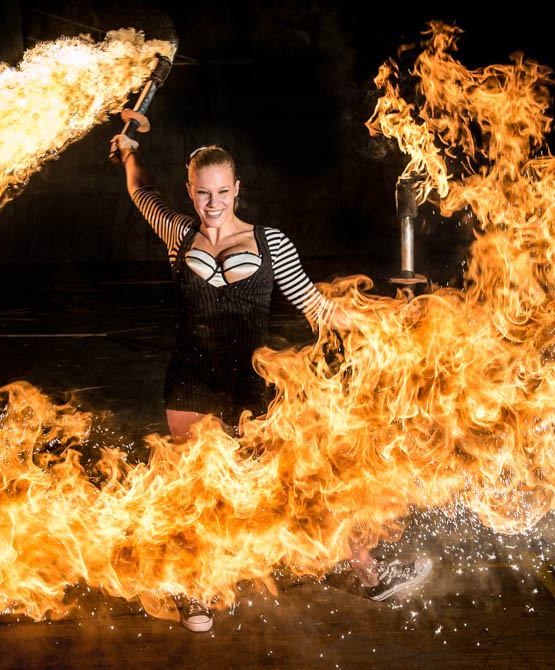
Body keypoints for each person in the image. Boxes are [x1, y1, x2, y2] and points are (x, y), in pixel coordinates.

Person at [110, 114, 431, 632]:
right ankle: (198, 593)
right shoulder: (177, 232)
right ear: (189, 192)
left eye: (221, 192)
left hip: (252, 384)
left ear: (236, 189)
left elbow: (319, 309)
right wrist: (126, 149)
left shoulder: (269, 241)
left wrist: (393, 316)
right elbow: (139, 190)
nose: (212, 203)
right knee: (200, 490)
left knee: (306, 478)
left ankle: (366, 572)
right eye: (201, 193)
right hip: (190, 381)